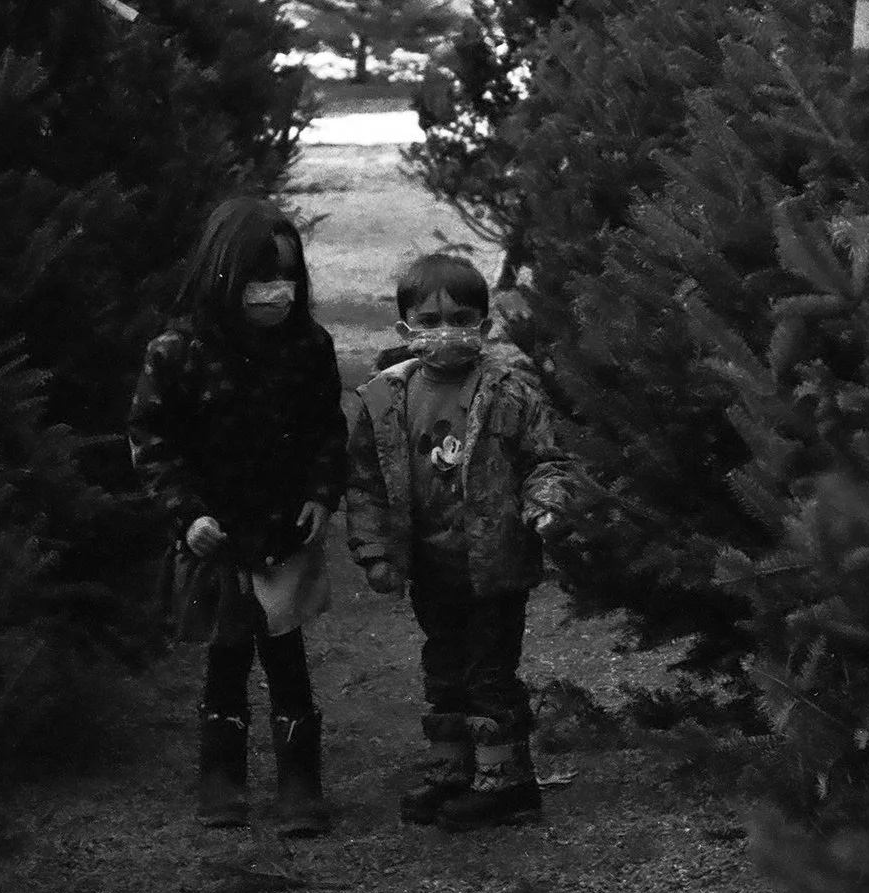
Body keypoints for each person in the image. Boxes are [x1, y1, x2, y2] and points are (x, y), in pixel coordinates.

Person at [129, 197, 348, 837]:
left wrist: (321, 493)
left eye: (286, 279)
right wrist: (184, 514)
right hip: (215, 535)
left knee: (287, 655)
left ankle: (300, 781)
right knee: (225, 655)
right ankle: (220, 775)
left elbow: (326, 431)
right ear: (223, 275)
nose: (274, 294)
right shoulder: (177, 352)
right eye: (259, 280)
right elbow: (151, 439)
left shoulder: (308, 348)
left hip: (283, 529)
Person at [345, 253, 578, 829]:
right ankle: (452, 769)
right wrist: (376, 552)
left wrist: (545, 505)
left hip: (495, 563)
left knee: (490, 671)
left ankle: (507, 782)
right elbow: (366, 483)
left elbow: (545, 460)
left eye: (462, 317)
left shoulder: (509, 393)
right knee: (443, 666)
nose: (445, 331)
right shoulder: (385, 401)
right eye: (429, 320)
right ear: (406, 330)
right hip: (430, 564)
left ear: (485, 324)